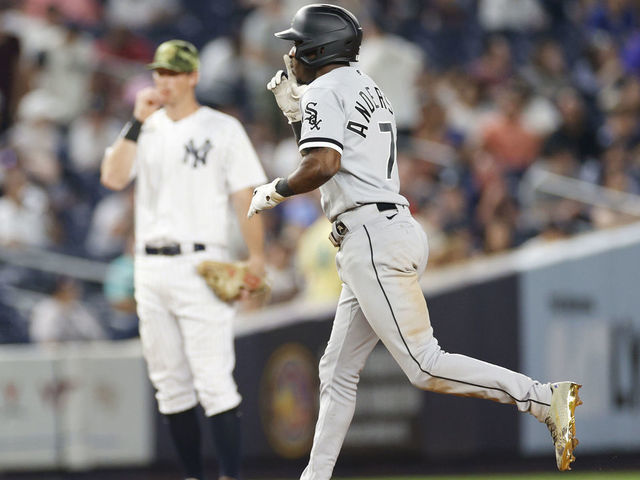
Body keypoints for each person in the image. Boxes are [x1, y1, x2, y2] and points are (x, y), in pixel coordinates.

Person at [248, 5, 582, 479]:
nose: (291, 52)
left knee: (425, 365)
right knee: (336, 371)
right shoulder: (368, 86)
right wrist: (295, 112)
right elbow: (337, 154)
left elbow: (323, 164)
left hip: (371, 237)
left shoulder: (323, 89)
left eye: (299, 44)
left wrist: (276, 188)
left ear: (319, 49)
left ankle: (544, 398)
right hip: (385, 227)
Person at [100, 39, 266, 480]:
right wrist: (135, 121)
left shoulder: (222, 127)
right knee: (169, 387)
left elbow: (245, 194)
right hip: (150, 267)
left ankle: (231, 476)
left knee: (214, 381)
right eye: (160, 72)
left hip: (202, 262)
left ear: (193, 76)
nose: (165, 81)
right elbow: (113, 177)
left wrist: (257, 256)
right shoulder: (145, 128)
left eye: (174, 73)